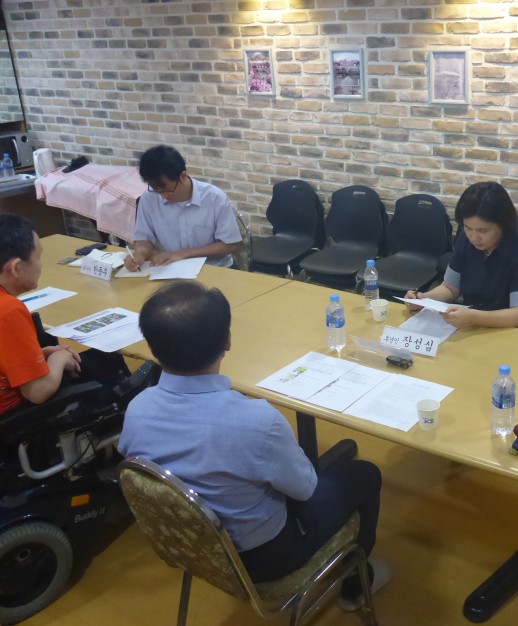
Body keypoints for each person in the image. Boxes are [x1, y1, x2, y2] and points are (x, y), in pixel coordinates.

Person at [117, 282, 390, 610]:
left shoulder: (138, 409)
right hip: (267, 558)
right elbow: (304, 489)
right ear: (228, 340)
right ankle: (356, 585)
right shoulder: (256, 421)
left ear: (151, 346)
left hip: (190, 547)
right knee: (366, 474)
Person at [0, 215, 128, 415]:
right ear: (16, 268)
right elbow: (37, 392)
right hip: (14, 415)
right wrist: (59, 359)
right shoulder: (8, 310)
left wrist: (39, 355)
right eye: (38, 257)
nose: (41, 265)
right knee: (107, 365)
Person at [405, 181, 518, 331]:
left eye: (483, 231)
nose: (474, 237)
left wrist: (473, 317)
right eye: (468, 228)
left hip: (512, 332)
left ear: (503, 224)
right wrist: (423, 299)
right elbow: (450, 287)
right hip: (473, 327)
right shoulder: (465, 240)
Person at [124, 145, 241, 271]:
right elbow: (144, 239)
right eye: (156, 190)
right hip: (170, 269)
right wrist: (140, 254)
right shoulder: (149, 198)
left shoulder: (214, 198)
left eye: (167, 190)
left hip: (214, 269)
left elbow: (230, 245)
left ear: (183, 176)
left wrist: (182, 254)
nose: (162, 196)